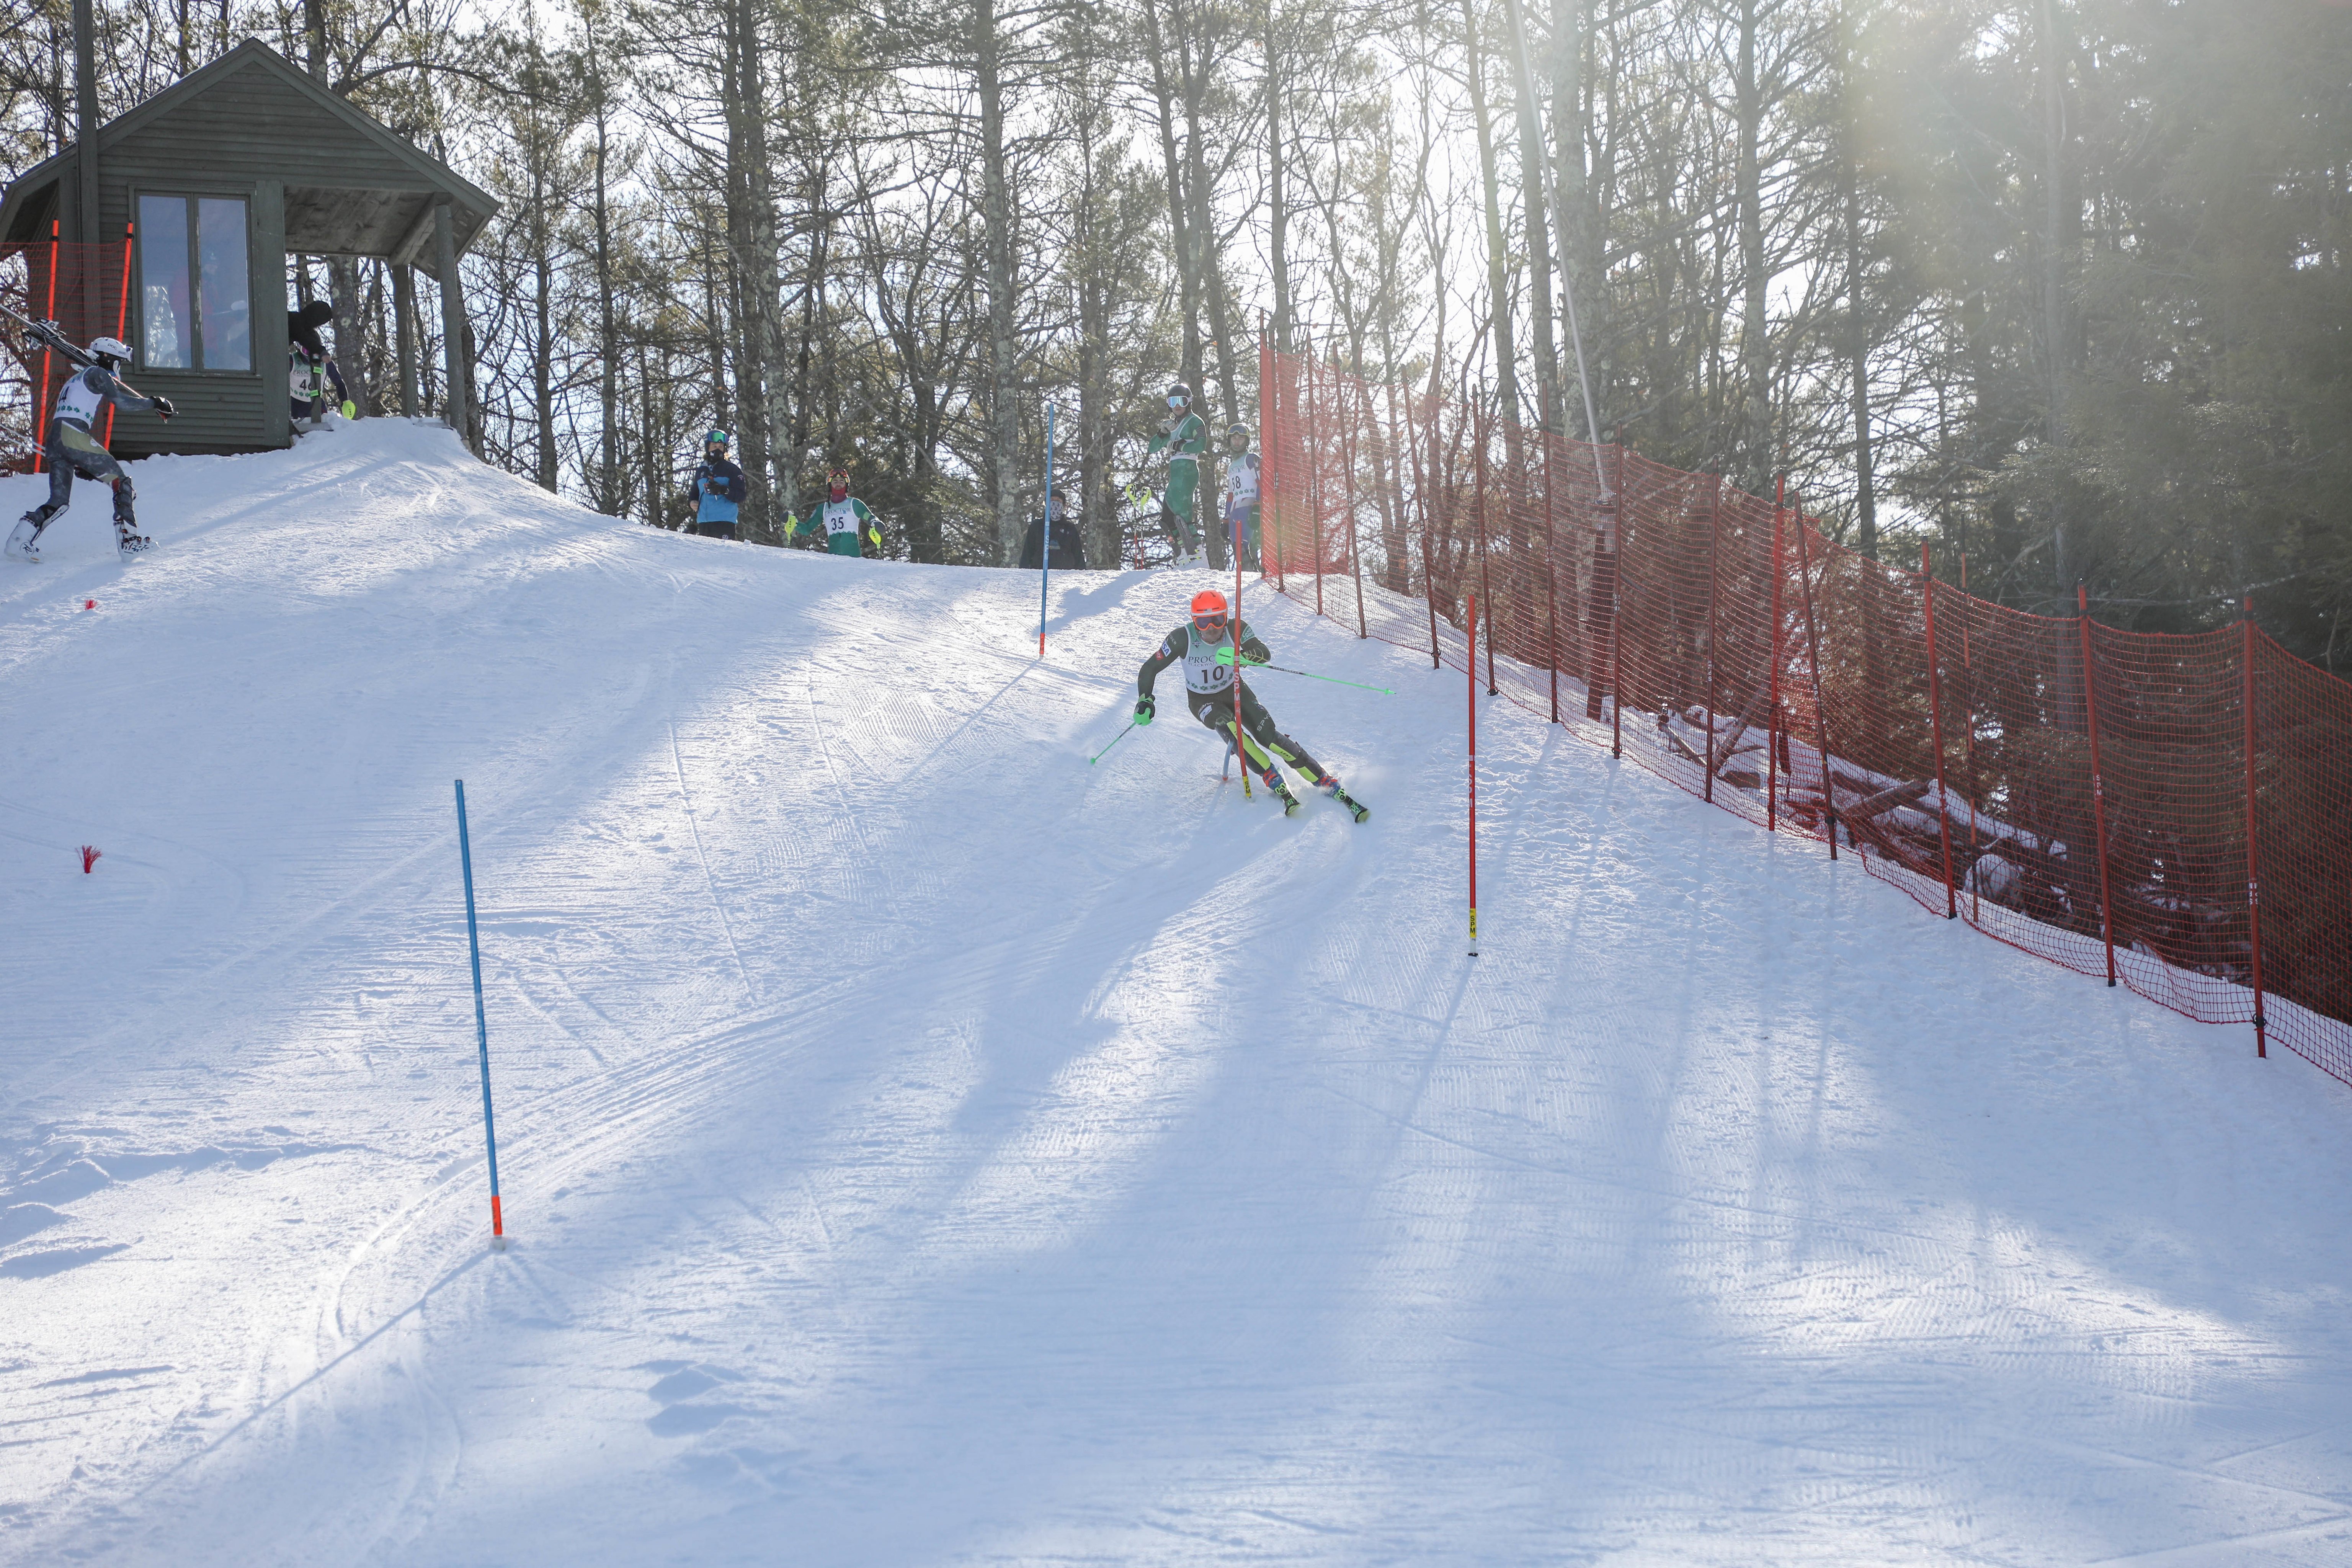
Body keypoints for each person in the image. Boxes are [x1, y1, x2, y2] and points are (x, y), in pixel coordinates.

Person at [1132, 588, 1369, 820]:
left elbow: (1263, 652)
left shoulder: (1235, 628)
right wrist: (1146, 699)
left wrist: (1244, 657)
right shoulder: (1181, 638)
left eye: (1218, 620)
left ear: (1225, 617)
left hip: (1234, 689)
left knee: (1268, 736)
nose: (1212, 628)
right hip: (1203, 701)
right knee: (1229, 726)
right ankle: (1270, 775)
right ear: (1194, 622)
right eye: (1204, 623)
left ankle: (1321, 778)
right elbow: (1150, 668)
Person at [7, 334, 174, 564]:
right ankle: (129, 542)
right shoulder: (98, 373)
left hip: (57, 438)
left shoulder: (78, 378)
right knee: (121, 480)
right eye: (119, 361)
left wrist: (85, 462)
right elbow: (121, 402)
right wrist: (154, 403)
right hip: (72, 434)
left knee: (59, 501)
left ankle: (18, 541)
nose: (119, 366)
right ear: (108, 358)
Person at [1145, 381, 1218, 569]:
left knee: (1183, 514)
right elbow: (1152, 448)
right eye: (1173, 401)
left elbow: (1201, 445)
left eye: (1182, 401)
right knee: (1168, 517)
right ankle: (1183, 553)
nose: (1177, 405)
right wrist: (1162, 433)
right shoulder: (1171, 425)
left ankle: (1198, 554)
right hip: (1176, 471)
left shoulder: (1195, 421)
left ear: (1189, 402)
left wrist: (1179, 445)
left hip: (1187, 469)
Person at [788, 467, 883, 557]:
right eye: (835, 482)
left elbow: (868, 516)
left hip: (854, 558)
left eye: (842, 482)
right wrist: (792, 521)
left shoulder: (854, 504)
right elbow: (807, 529)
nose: (838, 484)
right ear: (830, 485)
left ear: (846, 485)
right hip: (833, 558)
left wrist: (875, 523)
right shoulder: (823, 508)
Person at [287, 301, 349, 428]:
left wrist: (345, 401)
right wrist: (320, 351)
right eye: (305, 350)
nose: (308, 355)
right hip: (295, 406)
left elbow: (338, 382)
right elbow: (305, 338)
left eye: (311, 353)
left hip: (316, 405)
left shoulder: (324, 364)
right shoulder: (293, 359)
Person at [686, 430, 747, 538]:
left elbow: (741, 496)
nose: (718, 450)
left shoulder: (732, 470)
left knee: (721, 554)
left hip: (724, 521)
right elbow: (695, 492)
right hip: (704, 522)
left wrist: (724, 490)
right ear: (708, 448)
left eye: (721, 447)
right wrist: (692, 502)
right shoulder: (702, 470)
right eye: (714, 446)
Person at [1220, 422, 1261, 570]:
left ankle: (1251, 578)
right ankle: (1248, 577)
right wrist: (1226, 518)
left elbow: (1261, 481)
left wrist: (1258, 505)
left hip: (1248, 507)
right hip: (1235, 511)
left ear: (1247, 441)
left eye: (1241, 439)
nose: (1237, 442)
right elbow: (1231, 494)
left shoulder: (1250, 458)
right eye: (1234, 439)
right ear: (1230, 440)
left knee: (1241, 549)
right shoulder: (1232, 466)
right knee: (1237, 549)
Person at [1017, 490, 1085, 570]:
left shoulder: (1070, 529)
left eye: (1058, 501)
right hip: (1039, 575)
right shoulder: (1036, 527)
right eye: (1052, 501)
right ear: (1046, 504)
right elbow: (1027, 554)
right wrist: (1024, 576)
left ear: (1064, 505)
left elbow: (1079, 557)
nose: (1055, 504)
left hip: (1065, 577)